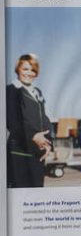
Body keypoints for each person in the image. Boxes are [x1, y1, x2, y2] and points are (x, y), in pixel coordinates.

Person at [6, 54, 52, 188]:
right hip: (19, 152)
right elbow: (12, 121)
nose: (29, 73)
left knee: (36, 193)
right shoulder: (11, 90)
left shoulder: (37, 92)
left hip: (37, 152)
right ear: (18, 70)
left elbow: (44, 118)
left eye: (32, 70)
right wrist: (33, 135)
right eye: (25, 69)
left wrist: (48, 142)